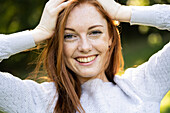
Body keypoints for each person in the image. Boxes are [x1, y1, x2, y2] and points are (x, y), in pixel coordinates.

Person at [0, 0, 169, 113]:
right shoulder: (38, 100)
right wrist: (39, 33)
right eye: (69, 36)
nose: (85, 47)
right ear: (59, 43)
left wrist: (122, 11)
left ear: (110, 38)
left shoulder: (142, 86)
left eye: (95, 32)